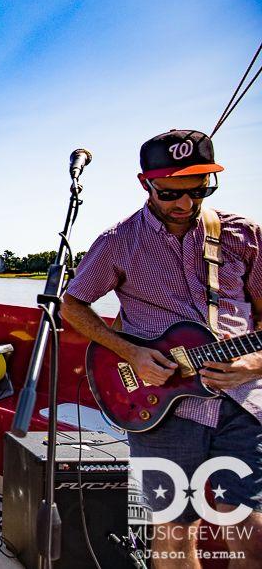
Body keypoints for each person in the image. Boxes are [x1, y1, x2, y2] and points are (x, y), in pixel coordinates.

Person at [61, 130, 262, 568]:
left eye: (199, 191)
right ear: (144, 183)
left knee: (249, 530)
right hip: (161, 411)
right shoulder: (119, 242)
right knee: (174, 531)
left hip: (244, 405)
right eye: (171, 192)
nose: (186, 205)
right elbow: (72, 306)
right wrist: (131, 354)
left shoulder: (244, 235)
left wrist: (256, 361)